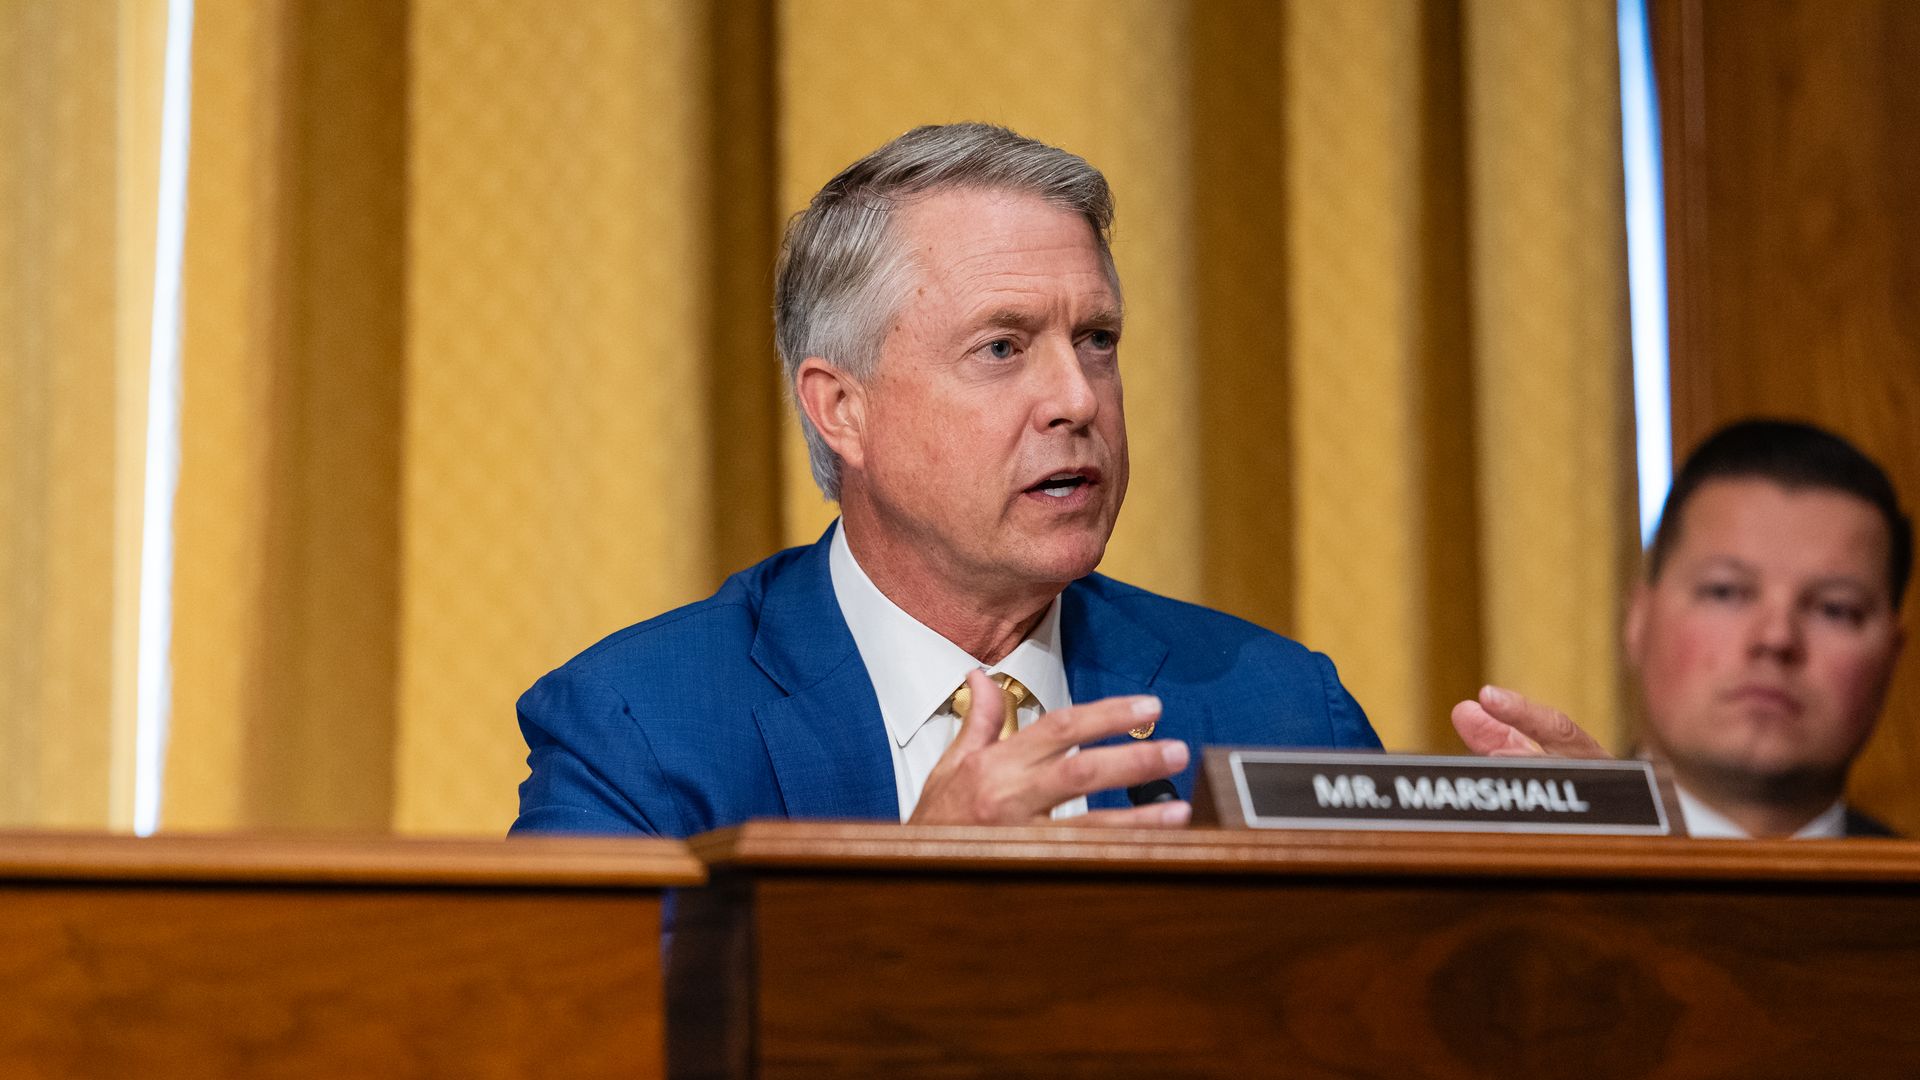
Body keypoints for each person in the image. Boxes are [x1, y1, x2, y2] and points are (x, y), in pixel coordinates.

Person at [512, 123, 1380, 838]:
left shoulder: (1284, 708)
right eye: (1001, 348)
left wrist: (1514, 912)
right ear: (842, 408)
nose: (1076, 399)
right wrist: (914, 891)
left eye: (1097, 341)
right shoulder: (639, 730)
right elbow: (581, 1038)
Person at [1454, 419, 1910, 838]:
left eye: (1834, 609)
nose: (1775, 639)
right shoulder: (1489, 880)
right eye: (1726, 592)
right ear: (1637, 621)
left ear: (1892, 656)